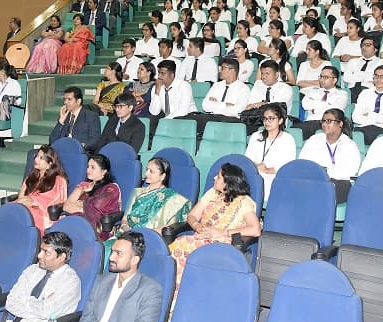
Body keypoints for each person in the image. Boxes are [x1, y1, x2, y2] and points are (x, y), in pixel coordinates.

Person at [24, 232, 163, 322]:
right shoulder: (102, 281)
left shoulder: (150, 289)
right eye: (112, 252)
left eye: (118, 254)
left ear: (134, 260)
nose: (111, 257)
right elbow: (86, 318)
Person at [168, 163, 261, 291]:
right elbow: (192, 215)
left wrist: (221, 232)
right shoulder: (212, 193)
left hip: (221, 242)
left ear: (227, 183)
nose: (213, 179)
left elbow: (255, 230)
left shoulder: (244, 202)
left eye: (218, 177)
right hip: (200, 237)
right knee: (177, 245)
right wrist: (197, 226)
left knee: (183, 246)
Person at [106, 157, 191, 247]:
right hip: (128, 234)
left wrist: (142, 234)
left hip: (151, 238)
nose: (146, 174)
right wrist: (125, 227)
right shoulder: (137, 192)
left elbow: (168, 228)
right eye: (147, 169)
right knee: (106, 248)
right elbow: (125, 218)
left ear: (163, 176)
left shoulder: (173, 200)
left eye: (151, 171)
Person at [298, 108, 362, 203]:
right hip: (314, 180)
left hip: (339, 183)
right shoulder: (314, 140)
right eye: (323, 121)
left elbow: (350, 170)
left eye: (328, 121)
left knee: (322, 192)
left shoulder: (349, 144)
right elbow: (303, 162)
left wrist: (324, 172)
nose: (324, 124)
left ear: (340, 124)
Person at [62, 154, 122, 241]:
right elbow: (66, 206)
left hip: (97, 232)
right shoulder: (83, 185)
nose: (88, 170)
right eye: (88, 166)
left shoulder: (111, 189)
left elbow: (94, 212)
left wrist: (80, 204)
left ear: (104, 171)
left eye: (93, 167)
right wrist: (83, 206)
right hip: (77, 223)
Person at [245, 103, 297, 201]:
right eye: (265, 118)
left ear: (280, 120)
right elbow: (247, 160)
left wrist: (268, 170)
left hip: (276, 178)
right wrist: (256, 167)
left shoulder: (288, 139)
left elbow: (287, 166)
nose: (267, 122)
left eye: (271, 118)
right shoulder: (256, 136)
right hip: (255, 175)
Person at [352, 65, 383, 145]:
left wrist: (369, 115)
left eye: (382, 76)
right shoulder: (364, 93)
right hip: (363, 129)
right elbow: (355, 117)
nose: (378, 79)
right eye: (376, 76)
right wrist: (380, 118)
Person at [298, 66, 349, 138]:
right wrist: (327, 104)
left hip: (328, 123)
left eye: (325, 77)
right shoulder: (313, 91)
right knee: (293, 130)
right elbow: (305, 104)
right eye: (321, 77)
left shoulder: (342, 94)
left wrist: (315, 109)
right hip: (309, 123)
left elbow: (336, 109)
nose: (322, 80)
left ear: (334, 80)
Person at [50, 86, 101, 151]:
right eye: (65, 99)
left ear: (78, 101)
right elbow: (52, 140)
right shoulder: (64, 115)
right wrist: (60, 122)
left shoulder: (91, 116)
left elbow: (95, 140)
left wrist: (82, 145)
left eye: (69, 99)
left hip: (79, 152)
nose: (65, 102)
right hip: (62, 150)